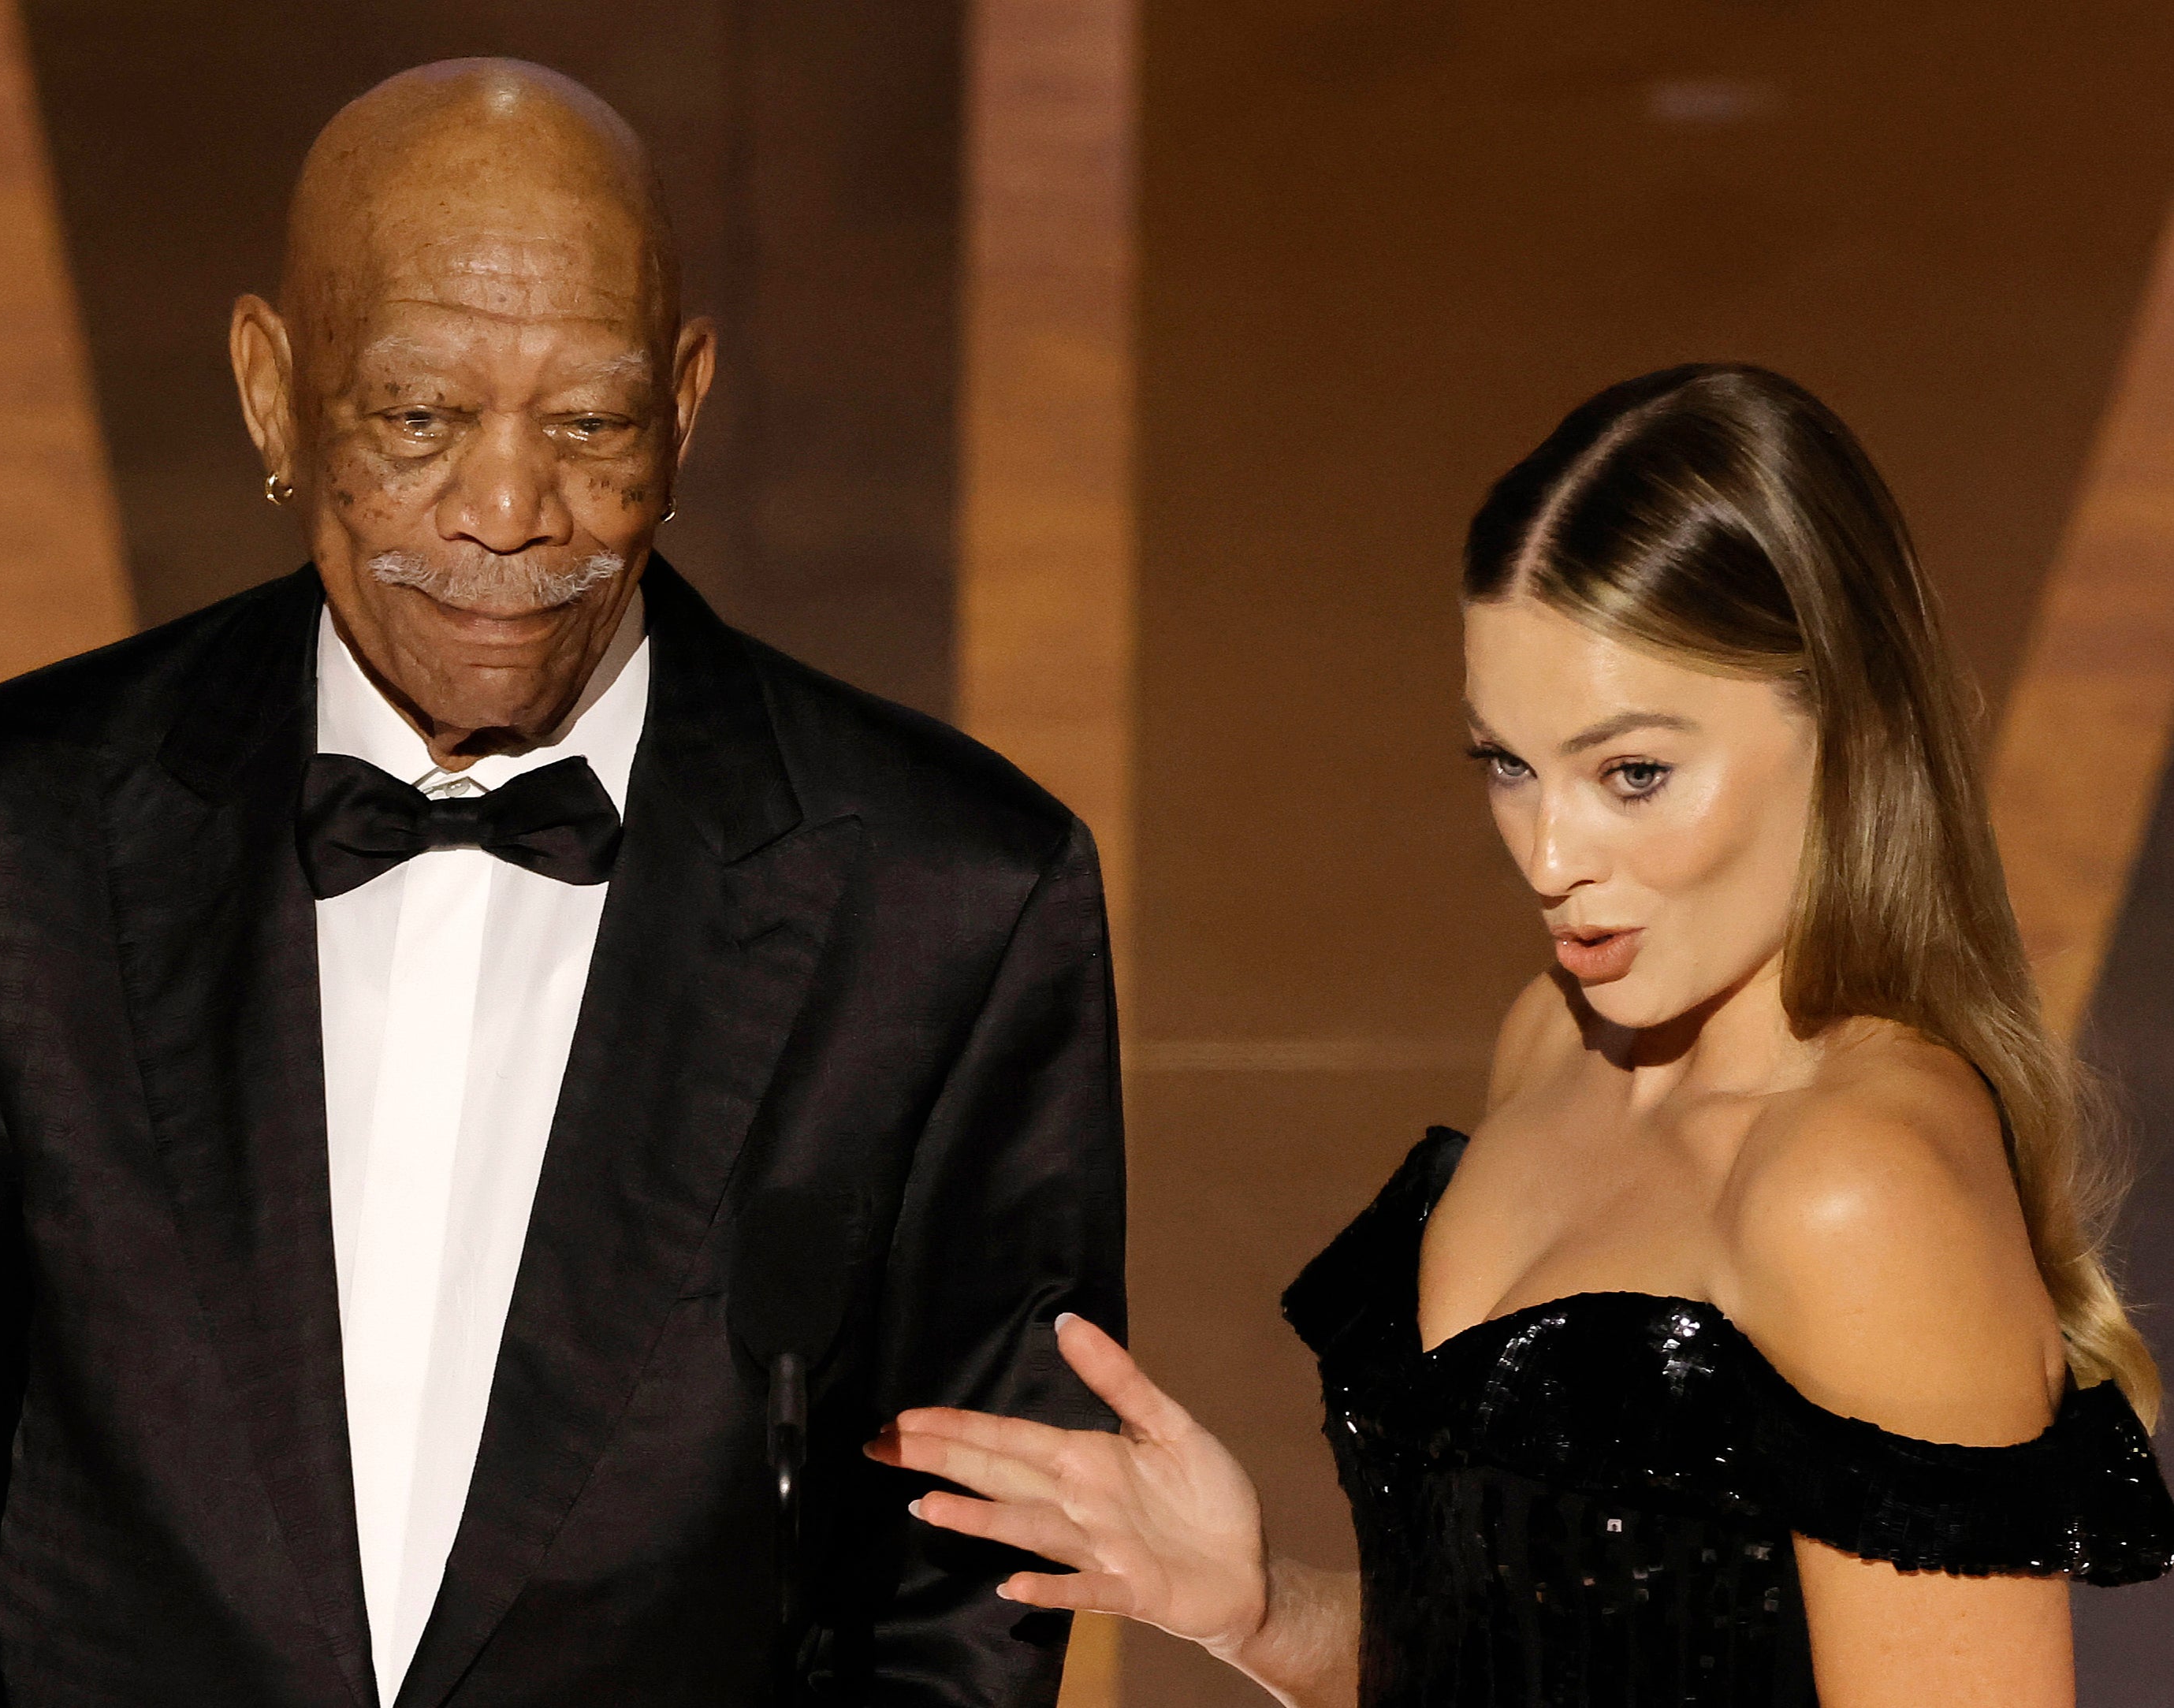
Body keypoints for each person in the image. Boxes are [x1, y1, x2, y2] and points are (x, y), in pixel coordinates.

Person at [0, 59, 1125, 1708]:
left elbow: (967, 1597)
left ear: (684, 403)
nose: (503, 511)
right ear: (271, 389)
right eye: (419, 417)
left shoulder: (954, 895)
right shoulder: (3, 835)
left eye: (590, 424)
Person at [873, 365, 2174, 1706]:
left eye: (1633, 774)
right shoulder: (1555, 1043)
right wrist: (1261, 1610)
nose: (1551, 857)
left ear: (1850, 731)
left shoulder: (1859, 1193)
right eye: (1507, 763)